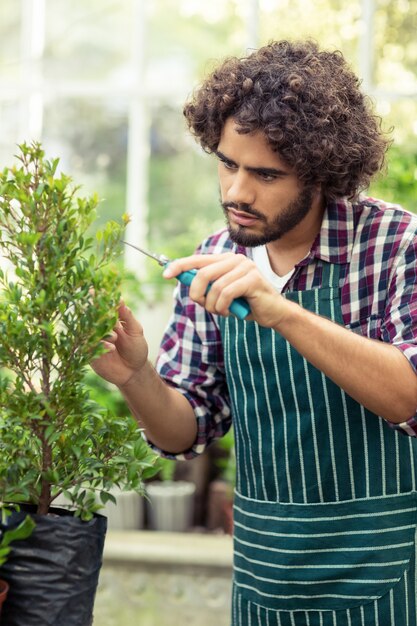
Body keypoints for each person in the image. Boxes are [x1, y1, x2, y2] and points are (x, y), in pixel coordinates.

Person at [92, 39, 417, 625]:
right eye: (227, 163)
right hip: (267, 574)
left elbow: (410, 395)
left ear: (322, 172)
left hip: (389, 571)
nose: (237, 192)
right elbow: (182, 432)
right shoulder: (213, 258)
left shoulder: (396, 246)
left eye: (266, 174)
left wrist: (281, 310)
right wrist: (136, 376)